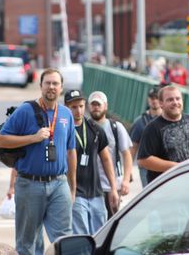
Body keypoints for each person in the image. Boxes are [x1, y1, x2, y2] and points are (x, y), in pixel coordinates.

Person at [0, 68, 77, 255]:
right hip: (29, 183)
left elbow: (71, 151)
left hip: (59, 183)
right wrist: (33, 138)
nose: (51, 87)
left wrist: (72, 187)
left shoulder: (66, 114)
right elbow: (2, 140)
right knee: (27, 242)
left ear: (61, 88)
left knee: (64, 239)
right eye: (47, 83)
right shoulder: (25, 111)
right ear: (40, 86)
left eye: (55, 83)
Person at [64, 89, 120, 234]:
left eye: (81, 106)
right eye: (74, 107)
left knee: (100, 234)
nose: (78, 111)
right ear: (66, 107)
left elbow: (106, 159)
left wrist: (113, 188)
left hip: (96, 192)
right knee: (82, 235)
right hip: (76, 193)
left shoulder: (95, 129)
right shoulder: (62, 130)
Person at [137, 86, 189, 184]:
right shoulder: (152, 128)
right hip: (167, 189)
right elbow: (143, 160)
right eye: (170, 100)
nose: (175, 102)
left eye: (178, 98)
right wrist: (177, 167)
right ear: (161, 104)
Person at [88, 91, 133, 219]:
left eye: (99, 104)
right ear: (88, 106)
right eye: (93, 104)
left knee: (111, 221)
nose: (96, 107)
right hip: (90, 186)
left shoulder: (116, 127)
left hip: (112, 186)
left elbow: (127, 154)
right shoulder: (85, 127)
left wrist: (125, 180)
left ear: (105, 106)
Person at [129, 85, 162, 188]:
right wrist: (128, 169)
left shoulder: (168, 119)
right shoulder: (140, 122)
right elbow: (133, 147)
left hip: (164, 165)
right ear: (148, 100)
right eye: (152, 98)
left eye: (157, 98)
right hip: (146, 167)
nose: (154, 101)